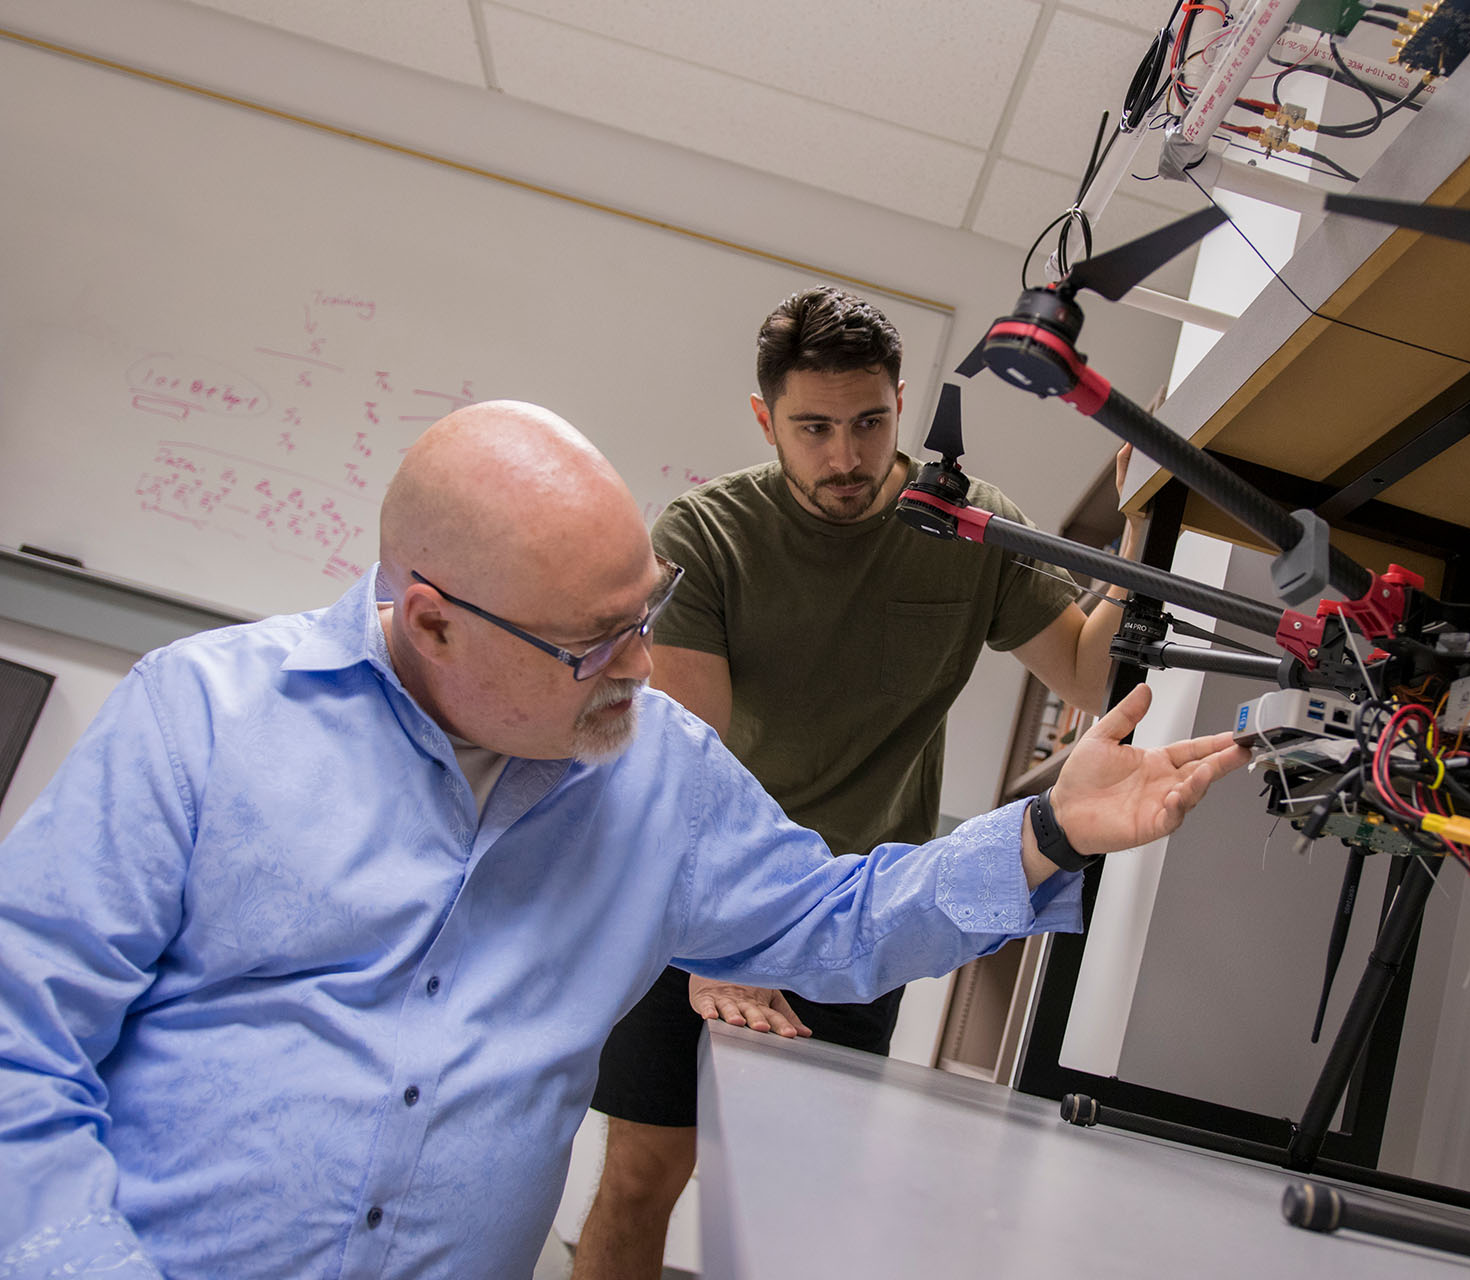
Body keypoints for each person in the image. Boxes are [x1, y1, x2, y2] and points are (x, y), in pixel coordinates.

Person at [0, 399, 1245, 1279]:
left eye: (643, 617)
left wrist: (1047, 828)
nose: (643, 671)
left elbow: (838, 922)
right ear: (429, 622)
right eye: (595, 642)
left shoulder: (656, 769)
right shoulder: (203, 716)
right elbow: (20, 1043)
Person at [574, 286, 1143, 1279]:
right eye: (816, 428)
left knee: (790, 1207)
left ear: (901, 403)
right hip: (698, 904)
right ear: (766, 421)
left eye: (870, 422)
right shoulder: (709, 535)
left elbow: (1090, 673)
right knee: (644, 1170)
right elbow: (684, 760)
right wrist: (723, 933)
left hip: (861, 911)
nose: (846, 455)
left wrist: (1143, 518)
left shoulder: (967, 525)